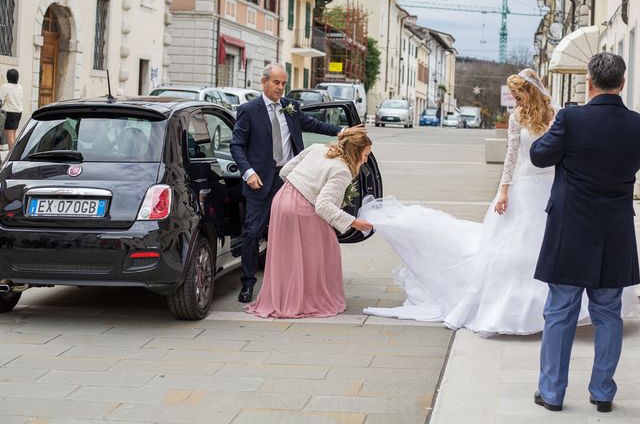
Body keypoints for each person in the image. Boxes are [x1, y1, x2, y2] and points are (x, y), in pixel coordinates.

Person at [360, 68, 637, 337]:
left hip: (552, 186)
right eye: (514, 97)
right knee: (515, 249)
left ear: (531, 92)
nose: (516, 102)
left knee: (552, 249)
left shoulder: (559, 116)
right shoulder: (517, 117)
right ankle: (516, 310)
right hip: (524, 186)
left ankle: (561, 312)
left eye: (519, 96)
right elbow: (512, 155)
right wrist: (504, 190)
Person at [531, 53, 640, 413]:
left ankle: (552, 392)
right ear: (621, 83)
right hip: (617, 231)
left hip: (571, 229)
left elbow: (539, 156)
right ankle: (603, 391)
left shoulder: (571, 118)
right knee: (609, 313)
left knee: (561, 310)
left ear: (590, 83)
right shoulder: (636, 124)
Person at [230, 63, 344, 303]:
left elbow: (313, 124)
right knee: (253, 232)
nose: (280, 88)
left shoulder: (291, 108)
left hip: (290, 180)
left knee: (290, 233)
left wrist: (341, 130)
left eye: (283, 83)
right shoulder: (248, 110)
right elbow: (236, 145)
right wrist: (248, 172)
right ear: (264, 83)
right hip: (258, 182)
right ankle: (248, 284)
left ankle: (292, 282)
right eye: (276, 83)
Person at [246, 129, 374, 318]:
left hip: (281, 201)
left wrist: (303, 185)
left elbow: (285, 171)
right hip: (302, 209)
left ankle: (284, 298)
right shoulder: (342, 171)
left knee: (286, 255)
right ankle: (307, 299)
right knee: (326, 249)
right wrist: (355, 223)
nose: (365, 160)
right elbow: (323, 206)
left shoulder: (316, 148)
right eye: (365, 155)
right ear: (356, 152)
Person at [0, 69, 23, 149]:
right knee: (13, 135)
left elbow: (0, 100)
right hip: (18, 113)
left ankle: (11, 157)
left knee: (10, 136)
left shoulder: (5, 87)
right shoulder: (20, 87)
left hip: (9, 113)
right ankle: (13, 155)